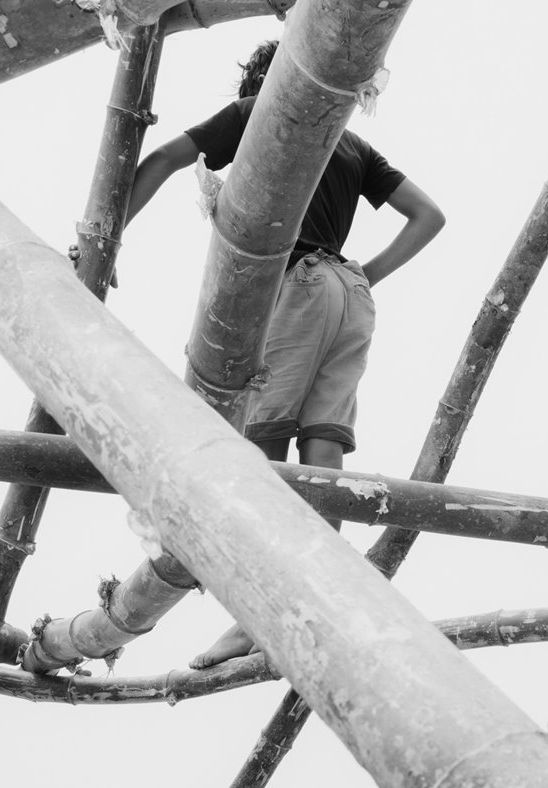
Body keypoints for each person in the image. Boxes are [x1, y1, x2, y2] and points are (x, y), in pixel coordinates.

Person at [126, 37, 446, 669]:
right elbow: (429, 216)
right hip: (349, 295)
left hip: (296, 286)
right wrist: (366, 275)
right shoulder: (352, 144)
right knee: (323, 456)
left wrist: (106, 238)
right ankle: (321, 600)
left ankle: (259, 615)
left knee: (263, 452)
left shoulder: (254, 112)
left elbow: (162, 159)